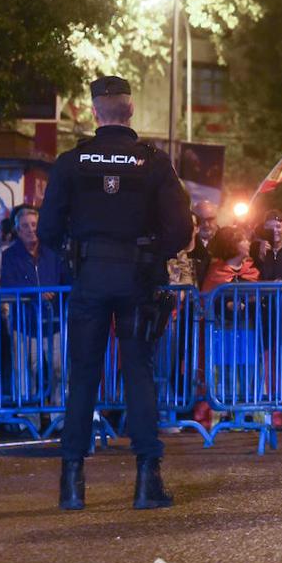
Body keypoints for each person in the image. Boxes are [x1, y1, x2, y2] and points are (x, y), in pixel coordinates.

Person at [38, 76, 190, 512]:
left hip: (89, 277)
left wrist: (76, 253)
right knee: (138, 373)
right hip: (137, 279)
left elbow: (48, 228)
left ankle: (71, 483)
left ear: (93, 112)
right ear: (130, 110)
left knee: (83, 376)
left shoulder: (72, 161)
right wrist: (151, 254)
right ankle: (146, 480)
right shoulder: (153, 162)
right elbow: (181, 228)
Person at [0, 206, 69, 407]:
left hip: (54, 322)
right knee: (25, 371)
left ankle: (60, 416)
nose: (30, 229)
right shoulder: (10, 255)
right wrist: (35, 293)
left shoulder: (54, 253)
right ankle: (28, 419)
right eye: (25, 226)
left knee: (59, 369)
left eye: (34, 225)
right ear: (17, 230)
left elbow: (66, 281)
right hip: (24, 323)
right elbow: (8, 285)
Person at [191, 200, 219, 290]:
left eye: (210, 219)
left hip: (219, 300)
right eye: (201, 220)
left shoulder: (227, 242)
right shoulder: (185, 243)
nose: (206, 225)